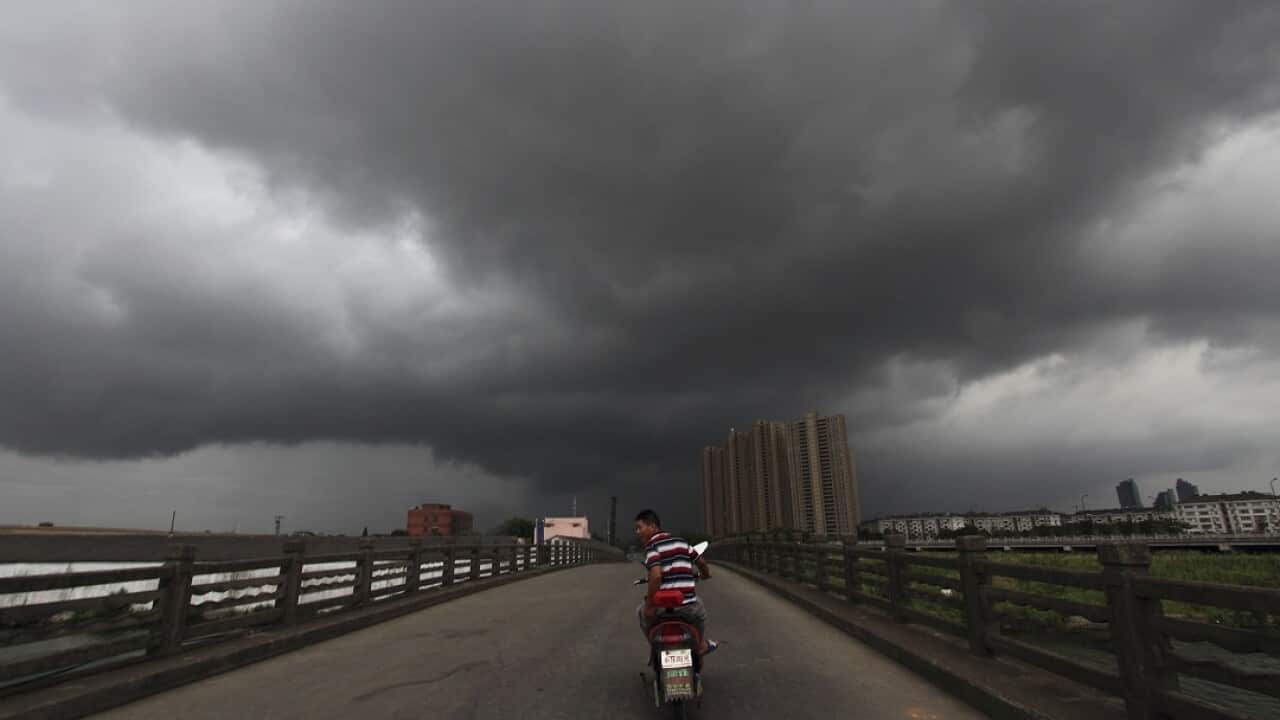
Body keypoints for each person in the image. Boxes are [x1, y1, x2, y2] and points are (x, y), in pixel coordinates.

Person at [634, 508, 718, 656]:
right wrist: (705, 575)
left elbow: (656, 576)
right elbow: (702, 564)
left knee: (641, 613)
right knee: (701, 613)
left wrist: (649, 606)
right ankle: (701, 645)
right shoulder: (682, 542)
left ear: (653, 526)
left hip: (661, 609)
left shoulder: (652, 546)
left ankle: (656, 649)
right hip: (688, 608)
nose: (637, 532)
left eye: (640, 527)